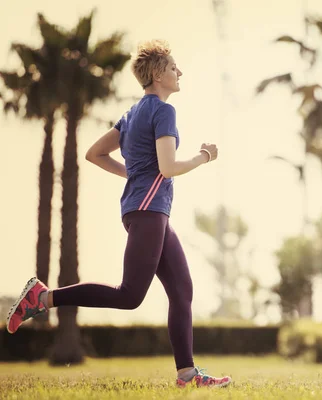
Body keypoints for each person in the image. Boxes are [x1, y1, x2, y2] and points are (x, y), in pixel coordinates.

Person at [5, 39, 231, 389]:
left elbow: (95, 153)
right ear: (158, 74)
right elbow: (169, 168)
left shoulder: (132, 113)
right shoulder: (162, 111)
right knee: (129, 295)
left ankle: (188, 375)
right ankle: (44, 297)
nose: (179, 71)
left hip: (145, 210)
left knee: (182, 289)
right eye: (173, 67)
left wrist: (136, 174)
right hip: (147, 210)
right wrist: (204, 155)